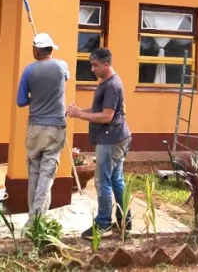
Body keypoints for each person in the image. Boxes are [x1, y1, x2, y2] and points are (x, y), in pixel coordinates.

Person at [66, 47, 131, 240]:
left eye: (95, 65)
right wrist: (79, 111)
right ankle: (124, 221)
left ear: (106, 64)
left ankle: (104, 223)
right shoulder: (106, 82)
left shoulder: (112, 85)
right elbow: (98, 109)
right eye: (91, 65)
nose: (92, 69)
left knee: (102, 181)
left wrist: (79, 115)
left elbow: (106, 116)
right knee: (116, 180)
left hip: (111, 139)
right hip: (116, 137)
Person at [16, 33, 69, 220]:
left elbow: (21, 101)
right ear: (50, 49)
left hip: (35, 128)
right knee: (47, 174)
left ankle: (36, 216)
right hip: (55, 128)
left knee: (34, 173)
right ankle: (37, 218)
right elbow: (65, 78)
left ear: (37, 51)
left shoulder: (29, 71)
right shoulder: (61, 67)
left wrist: (36, 98)